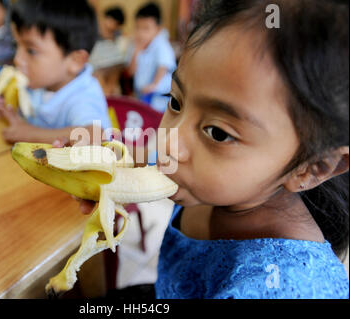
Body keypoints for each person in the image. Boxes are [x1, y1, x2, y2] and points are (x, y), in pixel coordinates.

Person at [65, 0, 349, 299]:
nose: (169, 142)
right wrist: (101, 161)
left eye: (218, 133)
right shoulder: (212, 183)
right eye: (175, 102)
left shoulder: (285, 287)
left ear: (314, 167)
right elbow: (145, 152)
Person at [0, 0, 111, 144]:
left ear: (75, 61)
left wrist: (30, 134)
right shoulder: (41, 83)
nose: (17, 59)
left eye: (31, 50)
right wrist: (12, 114)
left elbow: (96, 136)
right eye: (16, 45)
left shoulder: (82, 96)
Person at [127, 3, 176, 113]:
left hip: (158, 97)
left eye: (146, 28)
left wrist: (154, 85)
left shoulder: (161, 44)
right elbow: (130, 72)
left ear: (158, 29)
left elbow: (163, 65)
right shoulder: (134, 45)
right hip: (142, 96)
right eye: (138, 27)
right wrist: (136, 52)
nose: (141, 33)